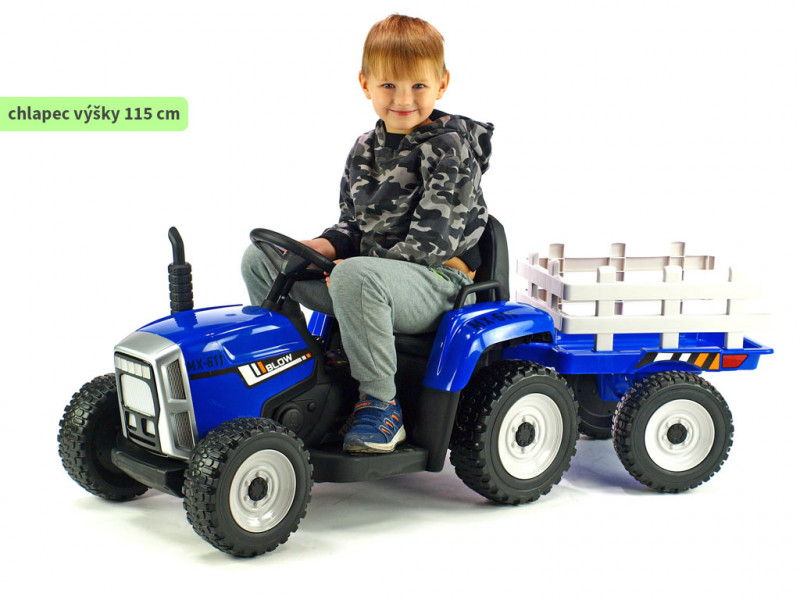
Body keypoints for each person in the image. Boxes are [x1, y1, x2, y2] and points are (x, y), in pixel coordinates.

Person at [241, 14, 492, 453]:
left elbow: (431, 244)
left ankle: (381, 406)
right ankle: (304, 371)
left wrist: (352, 267)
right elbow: (353, 225)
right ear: (366, 84)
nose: (403, 98)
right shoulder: (364, 148)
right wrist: (320, 246)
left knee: (353, 277)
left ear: (442, 84)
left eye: (418, 85)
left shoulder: (449, 148)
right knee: (261, 259)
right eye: (389, 85)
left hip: (438, 282)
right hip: (369, 281)